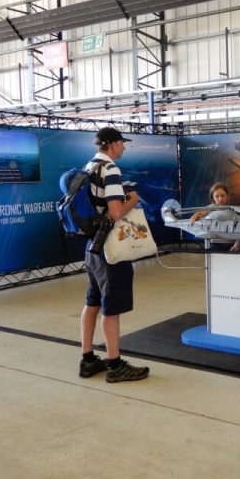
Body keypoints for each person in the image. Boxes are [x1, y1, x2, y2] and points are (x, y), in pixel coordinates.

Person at [79, 127, 150, 383]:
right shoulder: (110, 169)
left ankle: (88, 359)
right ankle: (115, 364)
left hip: (92, 248)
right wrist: (133, 199)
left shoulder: (90, 166)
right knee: (111, 307)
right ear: (111, 144)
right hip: (110, 249)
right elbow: (117, 212)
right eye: (121, 142)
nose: (124, 147)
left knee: (93, 302)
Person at [190, 183, 240, 252]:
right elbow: (201, 213)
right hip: (214, 244)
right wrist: (196, 215)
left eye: (222, 196)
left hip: (231, 244)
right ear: (213, 198)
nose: (220, 199)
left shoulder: (233, 210)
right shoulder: (211, 208)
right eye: (217, 196)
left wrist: (237, 244)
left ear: (227, 196)